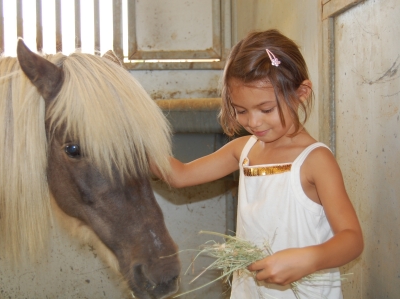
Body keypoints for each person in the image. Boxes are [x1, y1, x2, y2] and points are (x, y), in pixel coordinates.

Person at [151, 29, 363, 298]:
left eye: (266, 109)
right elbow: (179, 175)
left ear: (301, 92)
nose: (253, 122)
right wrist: (131, 141)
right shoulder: (243, 150)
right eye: (241, 111)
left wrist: (309, 258)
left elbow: (352, 239)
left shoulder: (315, 160)